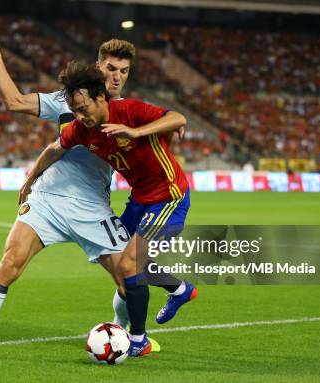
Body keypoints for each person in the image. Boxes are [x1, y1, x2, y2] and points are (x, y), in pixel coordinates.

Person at [0, 33, 188, 362]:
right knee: (10, 263)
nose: (116, 76)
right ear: (97, 67)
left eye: (123, 71)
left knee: (128, 276)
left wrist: (163, 128)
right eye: (111, 68)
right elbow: (13, 103)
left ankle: (124, 335)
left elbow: (163, 128)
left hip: (93, 207)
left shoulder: (127, 112)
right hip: (49, 200)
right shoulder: (64, 101)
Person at [27, 61, 197, 356]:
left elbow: (178, 117)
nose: (80, 116)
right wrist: (29, 179)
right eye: (75, 111)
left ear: (100, 98)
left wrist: (137, 132)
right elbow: (55, 148)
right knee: (123, 261)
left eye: (83, 108)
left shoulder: (130, 111)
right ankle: (180, 289)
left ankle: (139, 339)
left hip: (169, 196)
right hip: (140, 199)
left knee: (131, 263)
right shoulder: (82, 129)